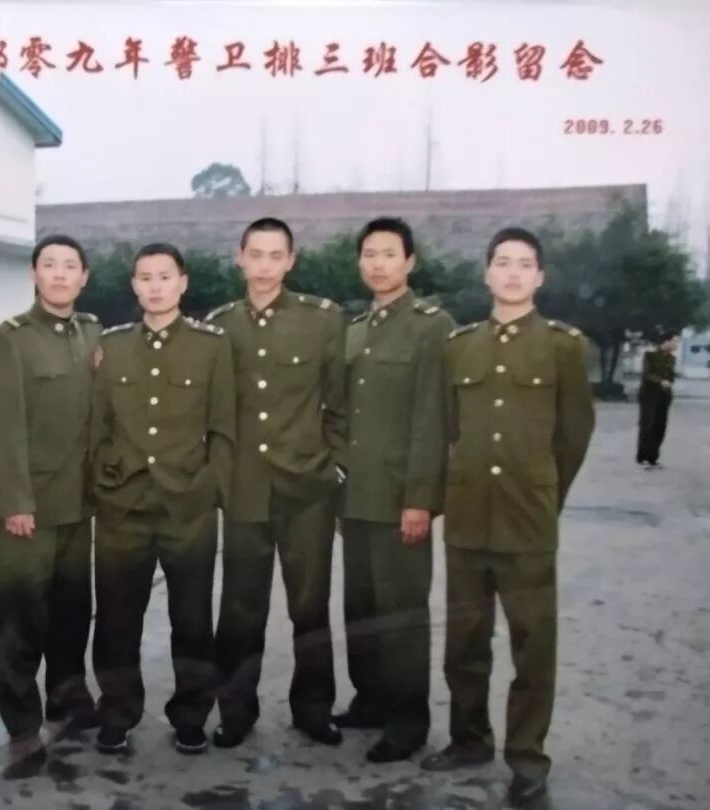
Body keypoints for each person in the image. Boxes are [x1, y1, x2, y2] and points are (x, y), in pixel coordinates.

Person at [421, 226, 595, 808]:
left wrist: (545, 493)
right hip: (469, 514)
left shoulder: (564, 346)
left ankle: (527, 757)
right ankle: (469, 739)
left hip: (528, 520)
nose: (513, 273)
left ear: (539, 277)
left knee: (532, 645)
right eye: (503, 262)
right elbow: (448, 427)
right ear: (487, 273)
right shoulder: (459, 346)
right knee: (464, 642)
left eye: (524, 264)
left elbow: (573, 434)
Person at [89, 243, 235, 756]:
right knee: (116, 618)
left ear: (183, 283)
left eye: (164, 276)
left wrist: (209, 488)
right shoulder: (112, 345)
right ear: (134, 285)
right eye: (145, 277)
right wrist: (104, 485)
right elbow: (98, 425)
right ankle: (117, 711)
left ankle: (191, 715)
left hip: (187, 507)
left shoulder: (211, 346)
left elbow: (223, 427)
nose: (155, 286)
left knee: (191, 620)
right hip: (123, 505)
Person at [208, 217, 346, 748]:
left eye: (275, 255)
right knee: (240, 608)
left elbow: (339, 399)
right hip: (245, 488)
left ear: (291, 261)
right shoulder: (219, 325)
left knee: (309, 606)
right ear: (239, 258)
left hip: (307, 487)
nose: (264, 266)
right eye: (255, 254)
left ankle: (313, 709)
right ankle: (235, 711)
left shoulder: (322, 319)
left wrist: (333, 466)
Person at [335, 217, 454, 763]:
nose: (378, 264)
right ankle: (371, 700)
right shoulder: (356, 327)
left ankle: (408, 720)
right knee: (361, 607)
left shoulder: (431, 326)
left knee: (402, 612)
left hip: (400, 497)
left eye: (389, 253)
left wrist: (420, 499)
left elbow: (432, 419)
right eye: (369, 254)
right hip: (356, 494)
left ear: (410, 262)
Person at [0, 234, 102, 776]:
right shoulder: (10, 339)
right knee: (22, 620)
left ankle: (68, 699)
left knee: (72, 614)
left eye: (69, 266)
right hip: (30, 507)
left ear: (84, 277)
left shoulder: (93, 332)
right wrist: (15, 501)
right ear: (34, 274)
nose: (59, 274)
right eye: (49, 265)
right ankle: (22, 722)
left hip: (79, 503)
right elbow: (2, 427)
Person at [636, 330, 680, 469]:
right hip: (649, 395)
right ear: (666, 341)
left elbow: (671, 376)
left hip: (664, 396)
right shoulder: (650, 355)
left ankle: (653, 458)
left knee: (660, 427)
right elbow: (647, 374)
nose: (677, 344)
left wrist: (669, 382)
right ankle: (643, 457)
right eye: (675, 341)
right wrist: (660, 381)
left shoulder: (672, 358)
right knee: (647, 426)